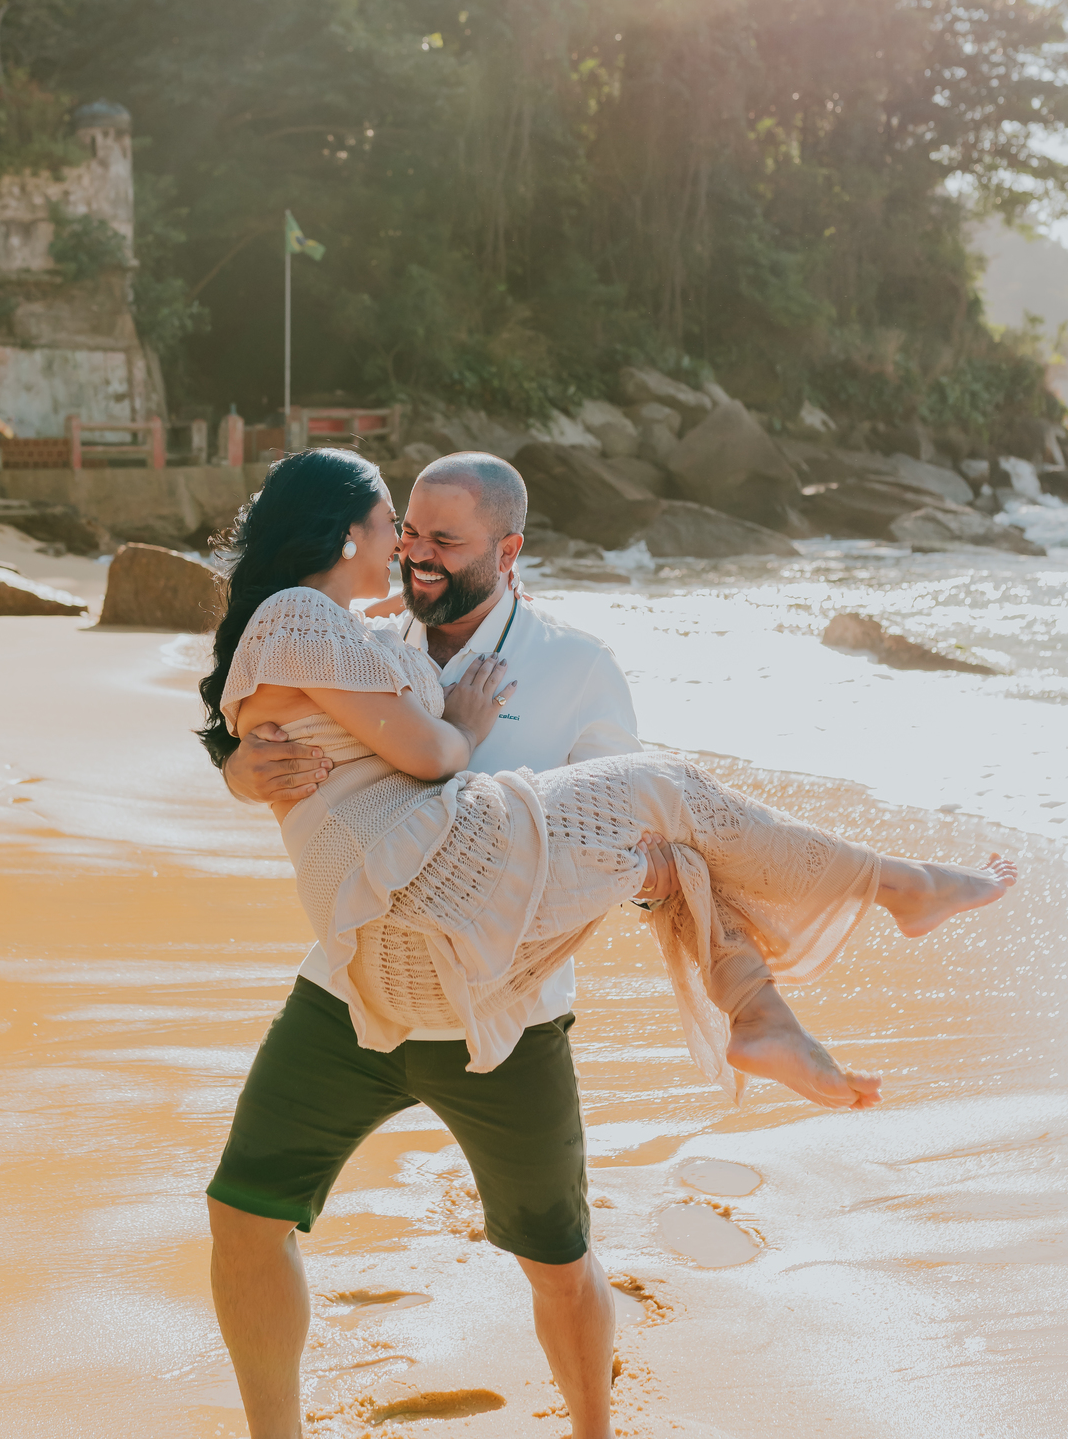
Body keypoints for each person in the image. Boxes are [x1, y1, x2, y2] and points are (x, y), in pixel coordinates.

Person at [202, 449, 1016, 1439]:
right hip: (353, 990)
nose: (415, 554)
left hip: (510, 1009)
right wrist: (241, 769)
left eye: (442, 540)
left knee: (557, 1259)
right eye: (406, 530)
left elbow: (649, 853)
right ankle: (836, 947)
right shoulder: (362, 632)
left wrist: (645, 873)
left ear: (508, 551)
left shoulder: (575, 666)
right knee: (245, 1212)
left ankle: (593, 1424)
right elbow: (287, 735)